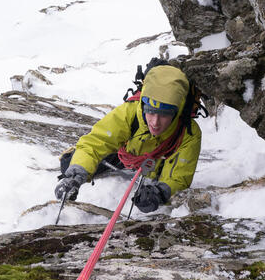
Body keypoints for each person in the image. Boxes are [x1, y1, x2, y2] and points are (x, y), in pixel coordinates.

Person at [54, 64, 202, 213]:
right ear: (143, 106)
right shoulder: (129, 113)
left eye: (164, 114)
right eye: (150, 112)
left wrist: (160, 192)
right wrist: (75, 175)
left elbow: (178, 178)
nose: (155, 122)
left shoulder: (188, 132)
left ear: (176, 112)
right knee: (70, 164)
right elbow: (94, 143)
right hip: (129, 152)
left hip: (158, 163)